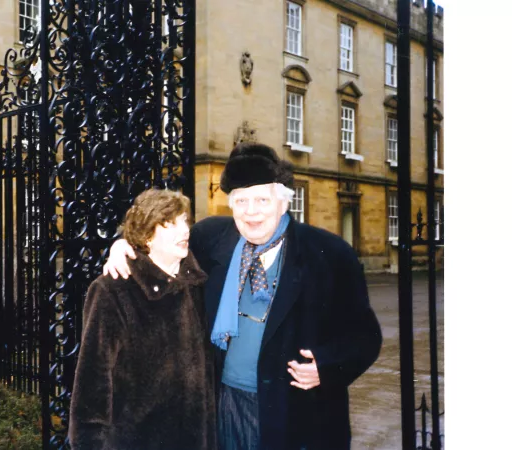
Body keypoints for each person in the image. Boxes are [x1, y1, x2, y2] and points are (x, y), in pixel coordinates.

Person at [102, 143, 382, 449]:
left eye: (262, 199)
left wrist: (327, 367)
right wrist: (123, 245)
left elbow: (365, 336)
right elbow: (158, 240)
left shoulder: (329, 254)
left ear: (283, 202)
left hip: (298, 412)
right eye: (241, 200)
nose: (251, 211)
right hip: (223, 403)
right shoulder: (211, 237)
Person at [69, 188, 216, 450]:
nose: (184, 231)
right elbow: (92, 382)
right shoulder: (113, 290)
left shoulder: (195, 284)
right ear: (147, 236)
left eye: (184, 221)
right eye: (170, 224)